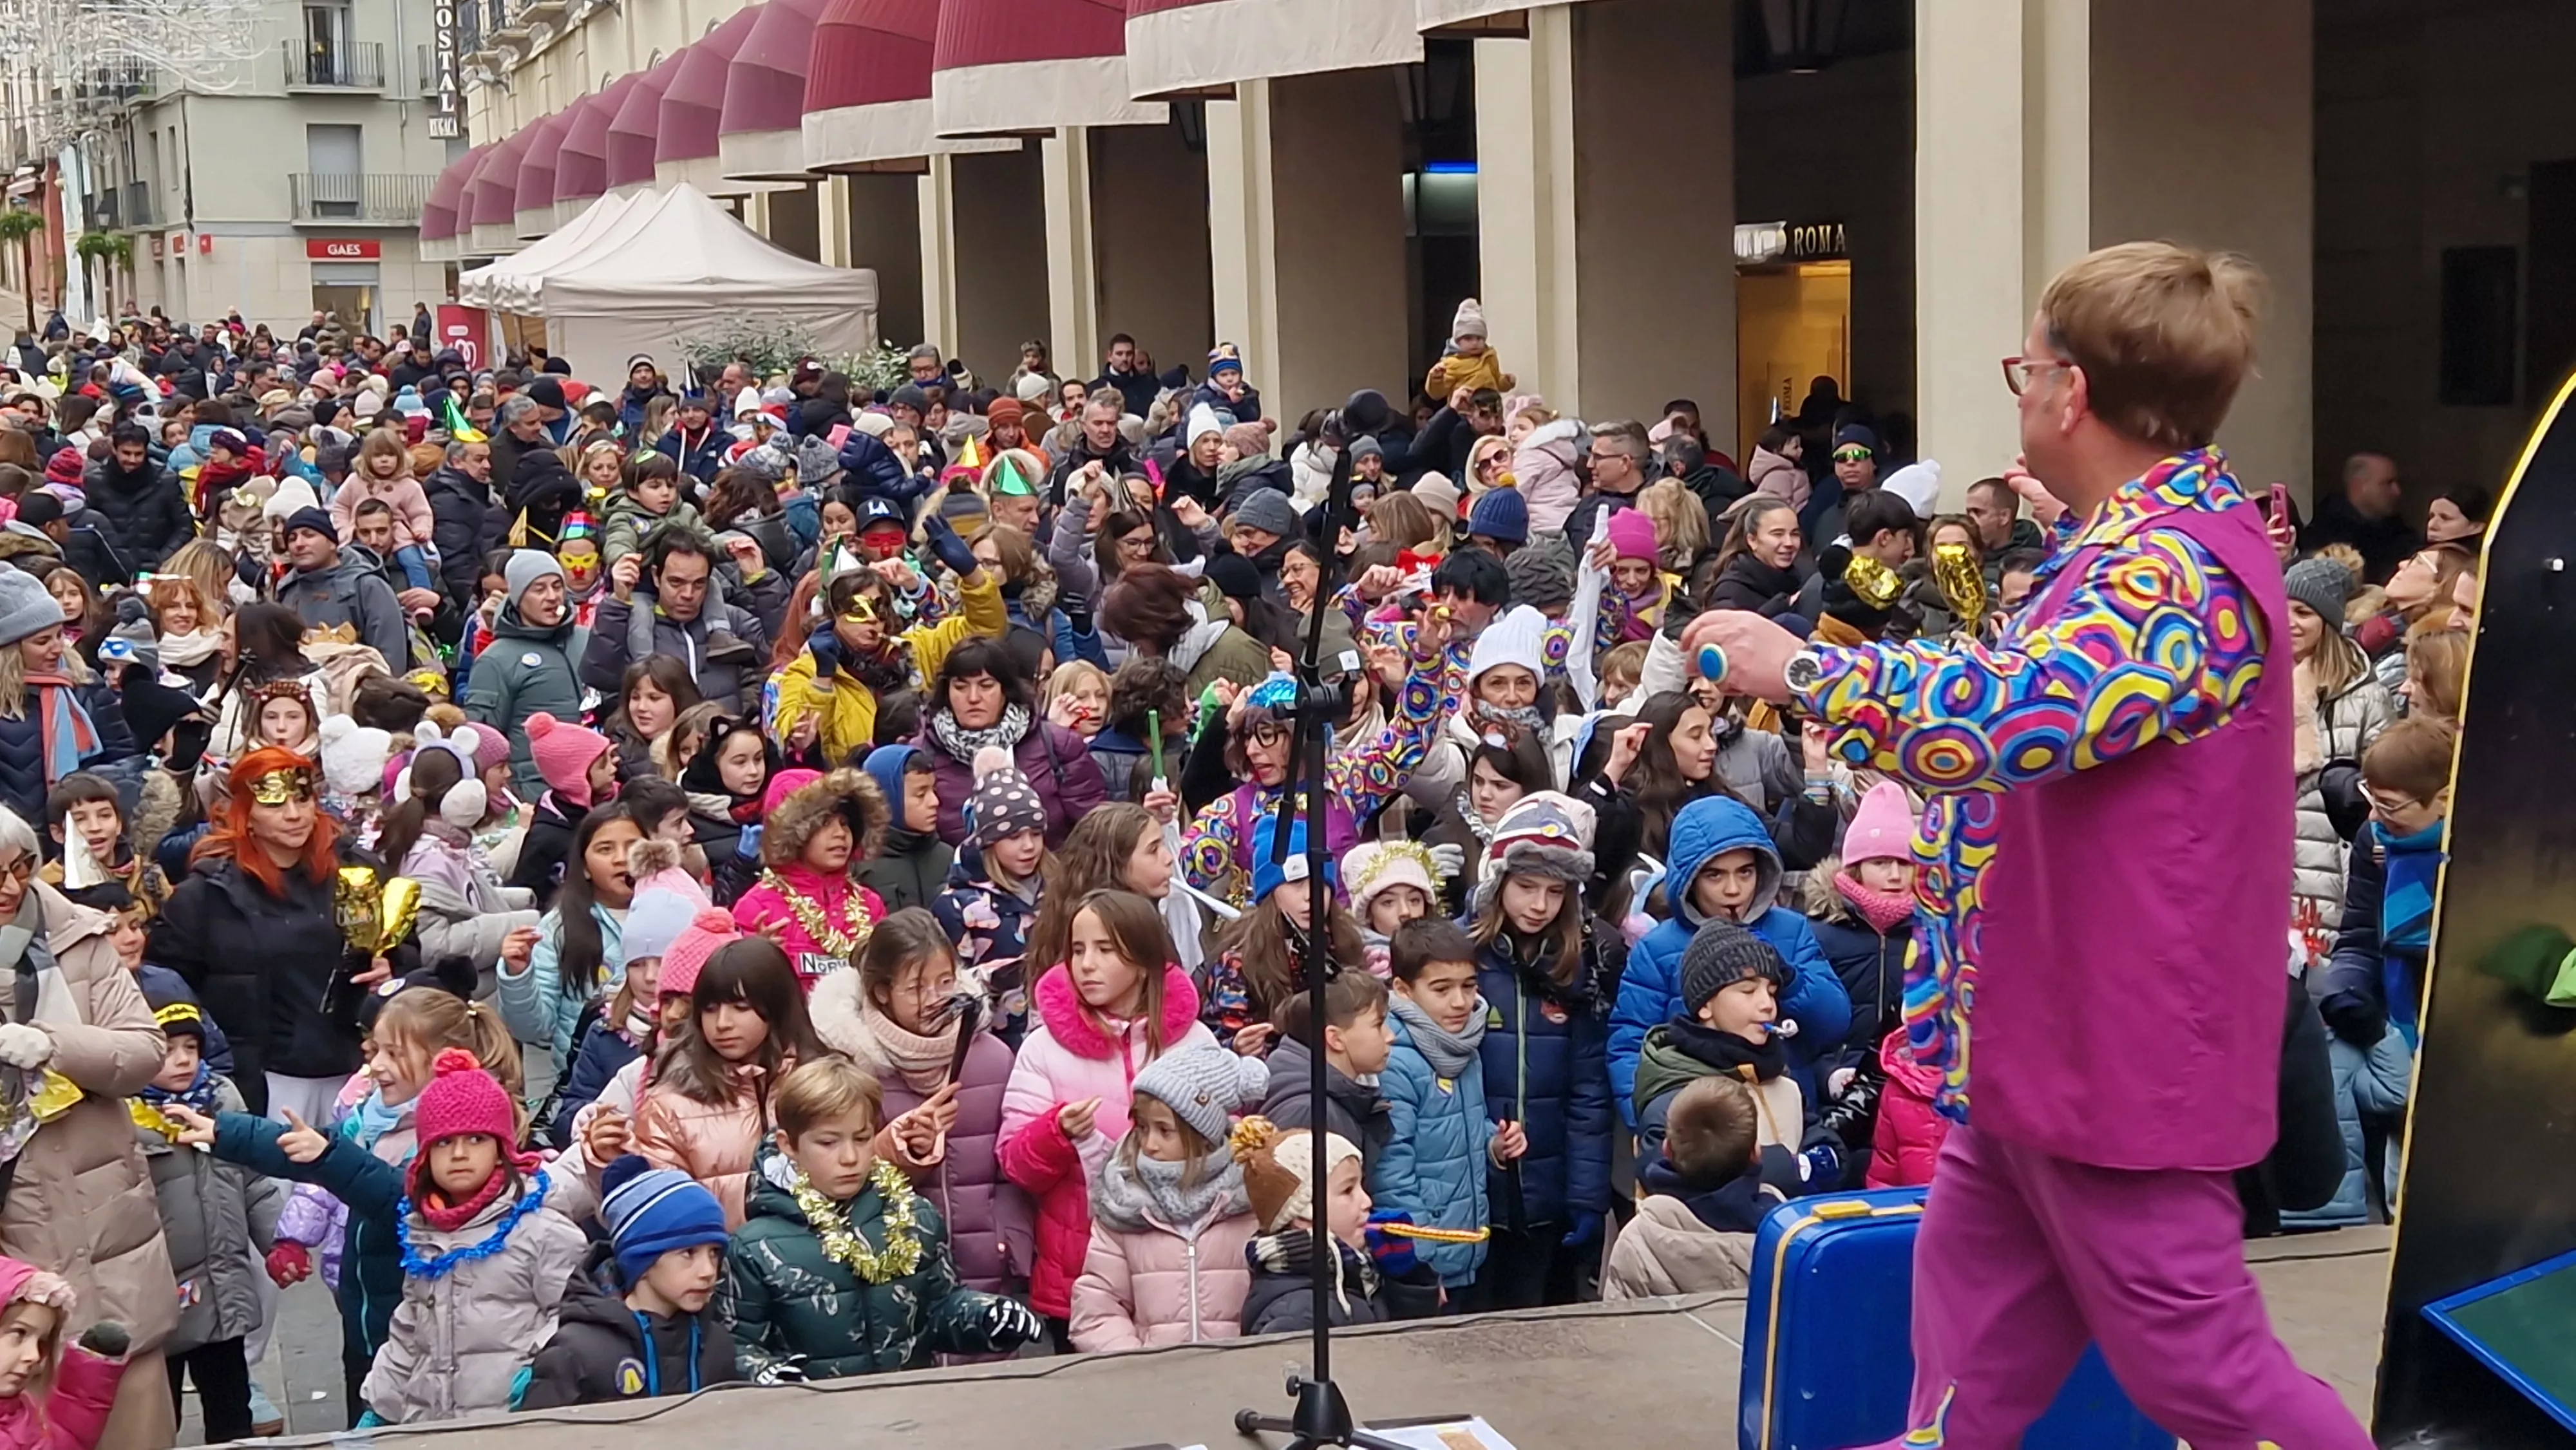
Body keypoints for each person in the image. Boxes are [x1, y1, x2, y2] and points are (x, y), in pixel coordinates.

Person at [1687, 241, 2372, 1447]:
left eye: (2027, 367)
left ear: (2073, 393)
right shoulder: (2148, 543)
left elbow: (2018, 715)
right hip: (2042, 1049)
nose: (2022, 392)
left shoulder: (2172, 570)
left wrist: (1796, 667)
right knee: (1971, 1355)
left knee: (2203, 1370)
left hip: (2116, 1059)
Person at [0, 806, 174, 1450]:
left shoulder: (77, 934)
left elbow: (144, 1050)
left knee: (133, 1420)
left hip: (107, 1242)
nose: (13, 888)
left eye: (19, 868)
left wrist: (51, 1042)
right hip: (14, 1255)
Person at [720, 1057, 1044, 1380]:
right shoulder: (755, 1247)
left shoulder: (915, 1217)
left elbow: (939, 1312)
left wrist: (988, 1317)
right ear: (788, 1145)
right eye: (828, 1143)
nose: (849, 1158)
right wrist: (764, 1372)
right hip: (814, 1419)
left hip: (908, 1411)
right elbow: (735, 1345)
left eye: (861, 1139)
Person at [999, 889, 1216, 1341]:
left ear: (1141, 960)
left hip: (1182, 1271)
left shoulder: (1193, 1042)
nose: (1086, 964)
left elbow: (1223, 1154)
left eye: (1104, 949)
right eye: (1077, 950)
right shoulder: (1043, 1047)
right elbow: (1015, 1162)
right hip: (1081, 1272)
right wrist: (1055, 1132)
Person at [151, 748, 408, 1122]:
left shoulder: (358, 870)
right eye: (275, 804)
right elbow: (168, 987)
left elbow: (408, 947)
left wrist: (392, 964)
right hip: (263, 1081)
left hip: (362, 1073)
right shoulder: (206, 896)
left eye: (302, 799)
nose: (293, 815)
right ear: (246, 814)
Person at [807, 909, 1032, 1297]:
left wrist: (1009, 1234)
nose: (933, 1000)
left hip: (986, 1265)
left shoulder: (992, 1059)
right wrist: (901, 1146)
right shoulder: (851, 1065)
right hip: (888, 1269)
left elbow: (1010, 1167)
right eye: (914, 989)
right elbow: (821, 1177)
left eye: (945, 982)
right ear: (882, 993)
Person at [1611, 793, 1847, 1124]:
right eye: (1715, 876)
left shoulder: (1790, 930)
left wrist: (1787, 976)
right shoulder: (1658, 949)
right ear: (1689, 879)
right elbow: (1630, 1047)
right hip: (1701, 1126)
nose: (1734, 889)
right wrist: (1658, 1126)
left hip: (1788, 1114)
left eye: (1746, 873)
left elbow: (1833, 1024)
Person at [1463, 793, 1611, 1310]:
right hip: (1473, 1190)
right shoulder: (1464, 959)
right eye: (1526, 887)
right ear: (1498, 882)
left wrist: (1587, 1194)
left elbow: (1589, 1091)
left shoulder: (1578, 968)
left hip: (1548, 1192)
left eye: (1555, 892)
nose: (1539, 905)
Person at [2311, 716, 2453, 1227]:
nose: (2376, 817)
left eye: (2392, 807)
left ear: (2444, 797)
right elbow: (2359, 939)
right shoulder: (2378, 846)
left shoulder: (2471, 851)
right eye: (2373, 801)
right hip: (2397, 1026)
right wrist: (2344, 988)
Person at [128, 987, 276, 1445]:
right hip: (159, 1294)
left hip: (220, 1288)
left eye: (190, 1048)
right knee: (154, 1417)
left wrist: (281, 1240)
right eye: (167, 1050)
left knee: (232, 1410)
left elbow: (254, 1179)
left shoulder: (222, 1097)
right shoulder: (125, 1115)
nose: (182, 1060)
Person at [1067, 1046, 1265, 1351]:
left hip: (1239, 1378)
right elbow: (1099, 1305)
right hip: (1152, 1383)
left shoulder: (1252, 1195)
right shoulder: (1125, 1200)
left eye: (1165, 1131)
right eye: (1143, 1128)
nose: (1149, 1144)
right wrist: (1136, 1363)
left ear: (1203, 1135)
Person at [770, 514, 1000, 768]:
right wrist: (823, 681)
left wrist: (972, 575)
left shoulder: (915, 649)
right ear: (833, 616)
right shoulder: (802, 673)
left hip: (923, 784)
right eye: (857, 611)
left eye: (879, 610)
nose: (871, 620)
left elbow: (985, 631)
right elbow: (799, 741)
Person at [1632, 923, 1842, 1194]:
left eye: (1771, 992)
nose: (1767, 1004)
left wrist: (1823, 1158)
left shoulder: (1780, 1080)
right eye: (1748, 991)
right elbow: (1670, 1180)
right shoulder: (1677, 1095)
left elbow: (1828, 1148)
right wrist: (1789, 1168)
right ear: (1705, 1006)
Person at [518, 1156, 739, 1408]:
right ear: (642, 1259)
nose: (708, 1271)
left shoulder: (717, 1344)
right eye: (688, 1253)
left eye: (714, 1253)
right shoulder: (576, 1352)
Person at [2282, 556, 2392, 968]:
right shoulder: (2256, 682)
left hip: (2334, 864)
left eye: (2303, 612)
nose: (2290, 621)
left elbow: (2379, 781)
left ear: (2327, 621)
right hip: (2271, 860)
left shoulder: (2365, 694)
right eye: (2285, 608)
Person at [1600, 1075, 1785, 1299]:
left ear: (1667, 1149)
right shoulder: (1787, 1244)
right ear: (1755, 1153)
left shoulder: (1636, 1242)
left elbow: (1618, 1329)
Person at [913, 638, 1107, 849]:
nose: (973, 698)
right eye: (960, 687)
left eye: (986, 686)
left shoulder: (1058, 745)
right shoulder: (919, 754)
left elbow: (1094, 830)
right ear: (947, 692)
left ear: (1006, 690)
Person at [1235, 1121, 1427, 1332]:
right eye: (1347, 1191)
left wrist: (1406, 1279)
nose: (1367, 1202)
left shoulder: (1356, 1275)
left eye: (1361, 1185)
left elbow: (1406, 1347)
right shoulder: (1297, 1315)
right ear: (1304, 1215)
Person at [498, 804, 642, 1067]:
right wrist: (519, 975)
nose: (622, 859)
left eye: (633, 846)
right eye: (605, 849)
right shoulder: (559, 928)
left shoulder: (672, 913)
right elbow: (533, 1029)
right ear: (585, 867)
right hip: (586, 1077)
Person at [585, 530, 772, 718]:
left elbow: (779, 654)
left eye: (699, 584)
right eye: (676, 583)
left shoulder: (732, 621)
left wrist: (762, 582)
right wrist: (618, 603)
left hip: (723, 741)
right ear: (657, 577)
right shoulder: (627, 622)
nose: (688, 594)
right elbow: (600, 677)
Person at [730, 768, 890, 985]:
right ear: (793, 832)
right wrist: (755, 955)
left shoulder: (870, 904)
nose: (840, 834)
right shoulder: (757, 907)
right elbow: (735, 989)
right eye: (825, 824)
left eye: (845, 823)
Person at [1261, 970, 1395, 1171]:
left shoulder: (1330, 1098)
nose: (1391, 1036)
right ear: (1336, 1039)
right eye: (1378, 1025)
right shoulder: (1311, 1112)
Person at [0, 1260, 131, 1450]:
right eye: (19, 1333)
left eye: (41, 1342)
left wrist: (84, 1390)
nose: (34, 1356)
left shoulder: (22, 1415)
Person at [502, 713, 618, 908]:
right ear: (576, 779)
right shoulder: (547, 836)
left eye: (611, 758)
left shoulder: (612, 806)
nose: (613, 769)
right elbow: (527, 891)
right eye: (602, 765)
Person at [275, 506, 410, 671]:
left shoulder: (367, 586)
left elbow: (392, 658)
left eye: (309, 535)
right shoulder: (286, 591)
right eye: (292, 539)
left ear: (333, 543)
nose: (299, 544)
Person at [856, 744, 952, 914]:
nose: (935, 802)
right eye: (921, 795)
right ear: (885, 799)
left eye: (934, 790)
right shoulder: (861, 867)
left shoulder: (947, 858)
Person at [2300, 452, 2420, 584]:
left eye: (2397, 483)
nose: (2397, 491)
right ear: (2358, 486)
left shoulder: (2400, 533)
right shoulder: (2323, 535)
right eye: (2387, 483)